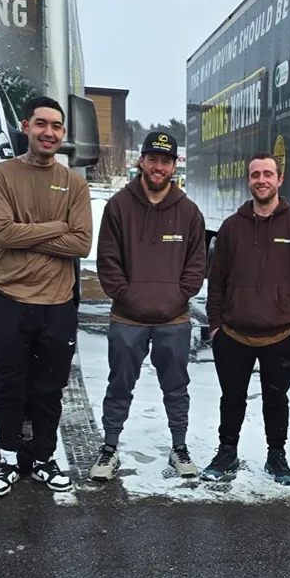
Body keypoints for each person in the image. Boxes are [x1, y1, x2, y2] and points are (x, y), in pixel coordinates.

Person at [0, 96, 93, 497]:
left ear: (63, 134)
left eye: (57, 127)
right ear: (26, 126)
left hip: (58, 302)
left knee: (49, 389)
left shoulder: (74, 182)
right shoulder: (0, 174)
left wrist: (27, 232)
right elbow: (3, 234)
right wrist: (55, 226)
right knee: (9, 386)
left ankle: (44, 457)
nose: (49, 132)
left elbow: (81, 243)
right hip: (8, 298)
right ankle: (8, 458)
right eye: (42, 124)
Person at [89, 131, 206, 481]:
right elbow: (108, 261)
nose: (159, 166)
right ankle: (109, 448)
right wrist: (129, 296)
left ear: (174, 166)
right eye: (153, 159)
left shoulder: (189, 212)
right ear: (141, 161)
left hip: (174, 319)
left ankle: (179, 447)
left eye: (166, 161)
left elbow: (196, 266)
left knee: (176, 387)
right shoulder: (118, 207)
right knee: (119, 385)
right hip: (127, 318)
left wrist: (175, 297)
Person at [202, 153, 290, 485]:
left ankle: (277, 457)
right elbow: (217, 282)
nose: (261, 180)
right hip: (233, 335)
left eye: (268, 174)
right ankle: (227, 453)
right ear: (248, 181)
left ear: (280, 180)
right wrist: (215, 327)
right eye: (255, 174)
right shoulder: (231, 228)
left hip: (281, 336)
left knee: (276, 400)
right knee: (232, 398)